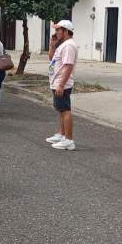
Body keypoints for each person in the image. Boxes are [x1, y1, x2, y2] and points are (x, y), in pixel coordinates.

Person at [46, 20, 78, 151]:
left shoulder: (69, 46)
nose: (56, 32)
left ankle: (69, 140)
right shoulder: (62, 45)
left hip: (61, 83)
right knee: (60, 110)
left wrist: (61, 85)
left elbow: (69, 66)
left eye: (58, 30)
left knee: (65, 110)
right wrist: (52, 45)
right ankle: (62, 134)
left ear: (66, 31)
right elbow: (51, 58)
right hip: (56, 82)